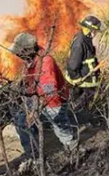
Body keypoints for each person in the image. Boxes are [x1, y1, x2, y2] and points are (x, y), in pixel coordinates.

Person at [10, 32, 78, 165]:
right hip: (35, 98)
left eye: (19, 52)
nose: (17, 55)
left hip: (53, 100)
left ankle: (72, 150)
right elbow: (30, 82)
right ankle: (34, 156)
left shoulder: (46, 61)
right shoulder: (29, 60)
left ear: (27, 50)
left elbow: (49, 88)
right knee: (22, 122)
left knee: (60, 125)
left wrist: (35, 110)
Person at [65, 16, 103, 114]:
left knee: (79, 102)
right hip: (83, 81)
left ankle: (78, 117)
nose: (95, 33)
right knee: (82, 104)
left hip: (86, 79)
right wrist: (77, 79)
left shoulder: (85, 37)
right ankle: (80, 120)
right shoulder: (80, 43)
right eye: (95, 31)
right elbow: (73, 65)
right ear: (90, 30)